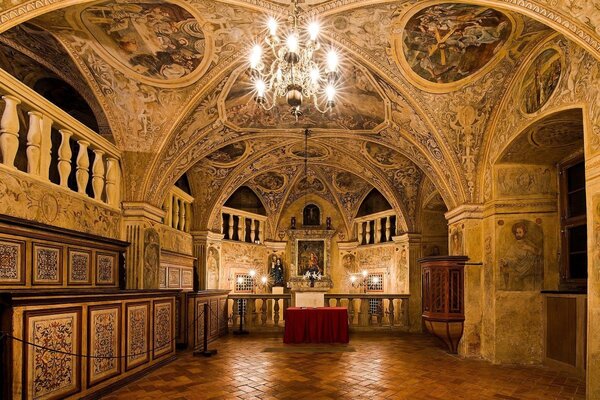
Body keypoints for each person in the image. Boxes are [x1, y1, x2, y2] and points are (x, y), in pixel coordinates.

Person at [500, 222, 542, 291]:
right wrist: (505, 260)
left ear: (524, 233)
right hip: (517, 268)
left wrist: (529, 248)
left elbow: (539, 252)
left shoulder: (528, 243)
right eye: (517, 232)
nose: (518, 234)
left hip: (529, 269)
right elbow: (509, 256)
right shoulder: (513, 246)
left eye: (520, 232)